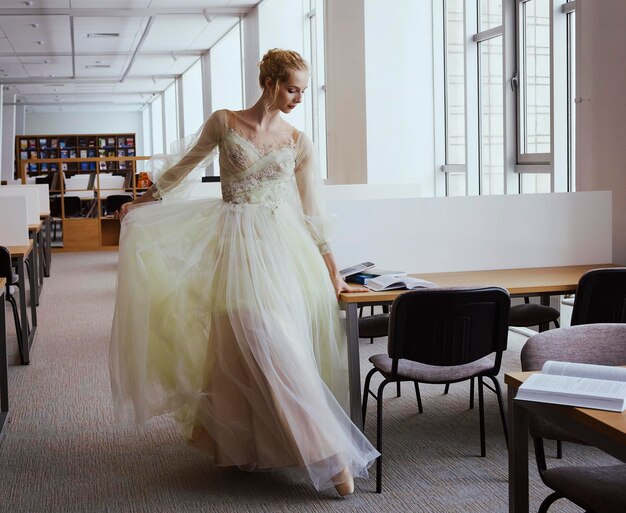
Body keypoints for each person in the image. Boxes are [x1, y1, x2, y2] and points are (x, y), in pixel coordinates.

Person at [109, 49, 378, 497]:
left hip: (280, 251)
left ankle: (330, 455)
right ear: (269, 82)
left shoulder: (298, 140)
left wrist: (333, 272)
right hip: (233, 246)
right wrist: (143, 200)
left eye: (303, 91)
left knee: (276, 344)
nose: (298, 98)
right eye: (292, 88)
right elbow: (185, 167)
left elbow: (313, 212)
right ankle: (237, 445)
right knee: (234, 345)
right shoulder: (224, 122)